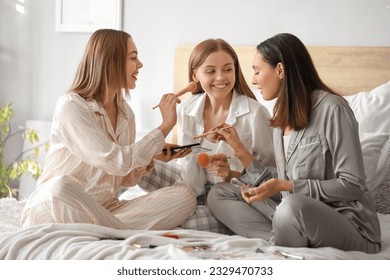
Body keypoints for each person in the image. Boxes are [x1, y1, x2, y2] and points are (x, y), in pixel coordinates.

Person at [207, 33, 381, 253]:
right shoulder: (280, 119)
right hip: (294, 213)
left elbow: (352, 186)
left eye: (257, 71)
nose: (253, 79)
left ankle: (286, 235)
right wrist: (239, 149)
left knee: (290, 207)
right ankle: (281, 237)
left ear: (280, 70)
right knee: (221, 192)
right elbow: (281, 187)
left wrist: (286, 186)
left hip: (347, 224)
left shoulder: (333, 109)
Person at [20, 29, 196, 230]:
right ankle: (114, 232)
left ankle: (104, 231)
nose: (140, 64)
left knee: (185, 197)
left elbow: (122, 178)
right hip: (59, 203)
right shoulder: (71, 105)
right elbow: (116, 161)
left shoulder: (126, 113)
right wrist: (164, 127)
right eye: (133, 58)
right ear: (111, 61)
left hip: (105, 209)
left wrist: (150, 156)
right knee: (58, 188)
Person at [176, 38, 275, 203]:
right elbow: (187, 167)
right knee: (144, 167)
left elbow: (271, 174)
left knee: (184, 221)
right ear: (196, 76)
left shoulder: (255, 113)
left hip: (234, 198)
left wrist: (231, 175)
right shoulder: (185, 109)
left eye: (228, 69)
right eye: (210, 71)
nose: (221, 77)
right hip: (193, 191)